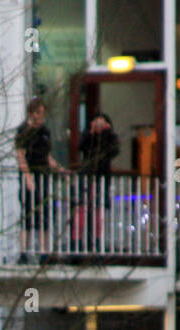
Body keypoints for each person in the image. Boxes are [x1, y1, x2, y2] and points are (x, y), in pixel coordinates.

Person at [15, 98, 66, 261]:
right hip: (30, 178)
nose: (40, 116)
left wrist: (59, 168)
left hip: (43, 177)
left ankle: (44, 252)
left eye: (42, 113)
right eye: (37, 113)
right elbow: (20, 156)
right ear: (31, 113)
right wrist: (28, 177)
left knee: (44, 214)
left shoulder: (45, 132)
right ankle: (24, 252)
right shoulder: (23, 131)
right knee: (28, 214)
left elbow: (47, 156)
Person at [75, 113, 120, 253]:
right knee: (82, 208)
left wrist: (107, 132)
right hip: (87, 176)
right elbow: (81, 147)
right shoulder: (88, 136)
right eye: (96, 122)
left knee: (99, 211)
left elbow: (113, 151)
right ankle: (78, 242)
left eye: (103, 123)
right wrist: (92, 132)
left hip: (102, 177)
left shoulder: (110, 137)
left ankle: (97, 242)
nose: (99, 125)